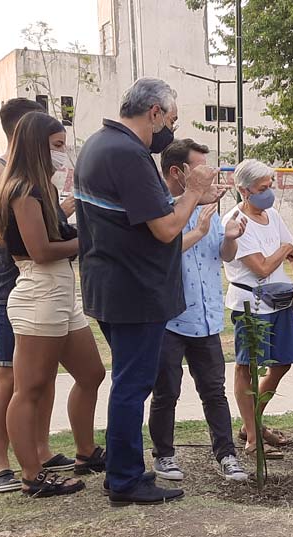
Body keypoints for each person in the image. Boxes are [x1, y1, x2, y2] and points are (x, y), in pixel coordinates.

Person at [75, 78, 222, 506]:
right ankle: (125, 480)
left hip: (113, 286)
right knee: (132, 385)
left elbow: (148, 216)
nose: (169, 130)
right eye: (171, 120)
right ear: (154, 112)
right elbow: (165, 229)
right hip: (134, 290)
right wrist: (194, 191)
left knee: (128, 382)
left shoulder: (99, 145)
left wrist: (194, 198)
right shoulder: (129, 154)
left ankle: (121, 472)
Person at [0, 112, 107, 497]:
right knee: (30, 388)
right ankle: (31, 474)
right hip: (39, 291)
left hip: (60, 291)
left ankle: (86, 452)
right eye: (57, 146)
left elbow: (62, 235)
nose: (63, 153)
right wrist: (89, 242)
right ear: (37, 146)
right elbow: (40, 251)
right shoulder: (23, 190)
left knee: (91, 373)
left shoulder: (45, 190)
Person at [0, 98, 77, 493]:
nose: (60, 150)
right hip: (15, 279)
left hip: (48, 277)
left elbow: (42, 229)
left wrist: (60, 216)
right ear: (25, 132)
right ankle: (1, 462)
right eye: (53, 141)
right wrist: (55, 241)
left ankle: (40, 449)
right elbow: (1, 236)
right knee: (12, 375)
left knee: (42, 376)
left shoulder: (38, 181)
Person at [147, 139, 248, 483]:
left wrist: (230, 236)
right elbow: (163, 251)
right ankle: (163, 455)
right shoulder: (161, 209)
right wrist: (201, 229)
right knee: (166, 392)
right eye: (202, 168)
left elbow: (224, 256)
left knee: (213, 391)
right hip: (171, 319)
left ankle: (227, 454)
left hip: (206, 320)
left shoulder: (211, 211)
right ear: (179, 172)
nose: (210, 175)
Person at [223, 159, 293, 459]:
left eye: (270, 186)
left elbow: (292, 250)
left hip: (279, 300)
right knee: (246, 367)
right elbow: (261, 268)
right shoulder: (236, 222)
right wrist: (285, 251)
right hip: (251, 303)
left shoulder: (272, 215)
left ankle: (252, 424)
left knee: (282, 363)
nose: (269, 193)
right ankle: (252, 438)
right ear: (245, 191)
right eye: (262, 188)